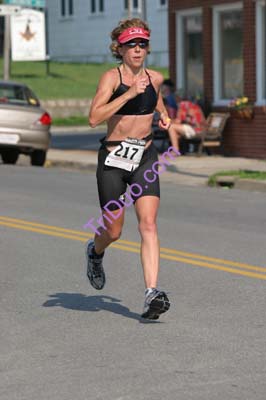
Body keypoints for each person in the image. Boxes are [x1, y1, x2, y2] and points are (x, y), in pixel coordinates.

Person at [86, 18, 172, 320]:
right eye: (131, 44)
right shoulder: (111, 78)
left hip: (144, 158)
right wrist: (129, 93)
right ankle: (95, 252)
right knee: (114, 230)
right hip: (113, 160)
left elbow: (156, 100)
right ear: (119, 48)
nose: (138, 49)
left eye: (142, 43)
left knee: (148, 224)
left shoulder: (156, 78)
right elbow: (94, 118)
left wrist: (164, 116)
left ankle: (152, 293)